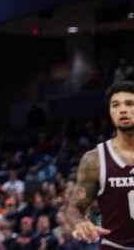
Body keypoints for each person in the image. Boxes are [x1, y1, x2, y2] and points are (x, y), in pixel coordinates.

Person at [64, 81, 134, 248]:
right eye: (115, 105)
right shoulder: (94, 159)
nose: (122, 110)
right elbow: (74, 210)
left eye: (130, 103)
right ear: (110, 112)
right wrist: (80, 223)